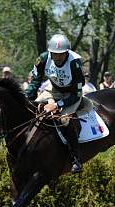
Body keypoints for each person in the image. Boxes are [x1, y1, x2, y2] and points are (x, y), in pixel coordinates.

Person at [25, 33, 87, 173]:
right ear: (50, 52)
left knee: (65, 120)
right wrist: (27, 96)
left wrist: (57, 105)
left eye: (62, 54)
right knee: (32, 109)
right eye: (55, 54)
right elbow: (35, 81)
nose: (58, 57)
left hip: (71, 94)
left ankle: (76, 159)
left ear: (67, 52)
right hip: (53, 89)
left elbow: (76, 94)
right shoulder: (43, 59)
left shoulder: (74, 63)